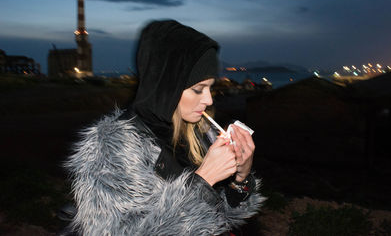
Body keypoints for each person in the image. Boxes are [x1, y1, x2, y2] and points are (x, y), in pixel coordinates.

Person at [65, 20, 265, 235]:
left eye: (210, 88)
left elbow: (222, 219)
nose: (208, 99)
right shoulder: (113, 148)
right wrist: (204, 181)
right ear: (168, 86)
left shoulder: (201, 134)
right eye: (198, 89)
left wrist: (241, 178)